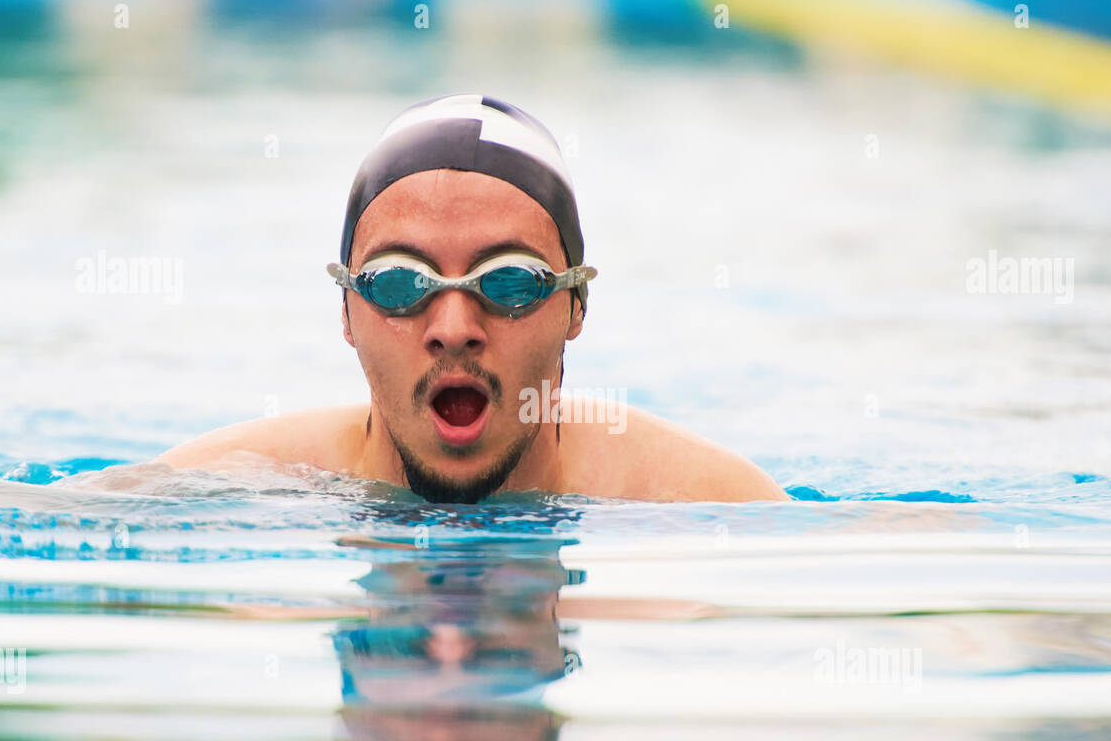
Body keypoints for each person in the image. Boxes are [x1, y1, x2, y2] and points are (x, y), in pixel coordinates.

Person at [158, 94, 788, 504]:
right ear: (345, 311)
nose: (454, 327)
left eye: (509, 281)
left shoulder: (704, 502)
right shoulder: (230, 487)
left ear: (576, 306)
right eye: (400, 283)